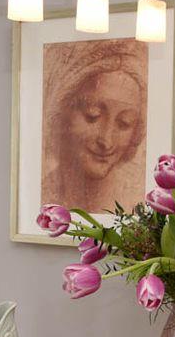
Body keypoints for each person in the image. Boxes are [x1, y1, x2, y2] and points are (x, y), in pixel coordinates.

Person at [41, 41, 149, 211]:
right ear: (63, 112)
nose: (106, 141)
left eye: (124, 123)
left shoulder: (137, 204)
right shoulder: (42, 193)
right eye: (93, 116)